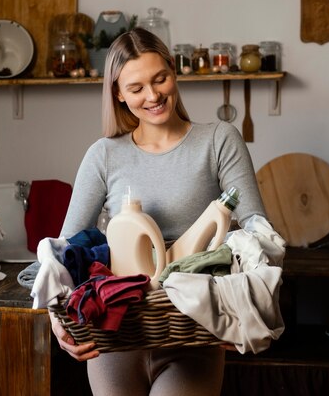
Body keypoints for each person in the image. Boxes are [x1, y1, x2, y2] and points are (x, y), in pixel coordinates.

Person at [50, 27, 266, 396]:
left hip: (193, 334)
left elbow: (258, 233)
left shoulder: (218, 140)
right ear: (117, 93)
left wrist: (251, 308)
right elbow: (65, 250)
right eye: (136, 88)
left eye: (160, 79)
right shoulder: (104, 155)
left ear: (173, 70)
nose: (153, 96)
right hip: (117, 335)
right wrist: (57, 320)